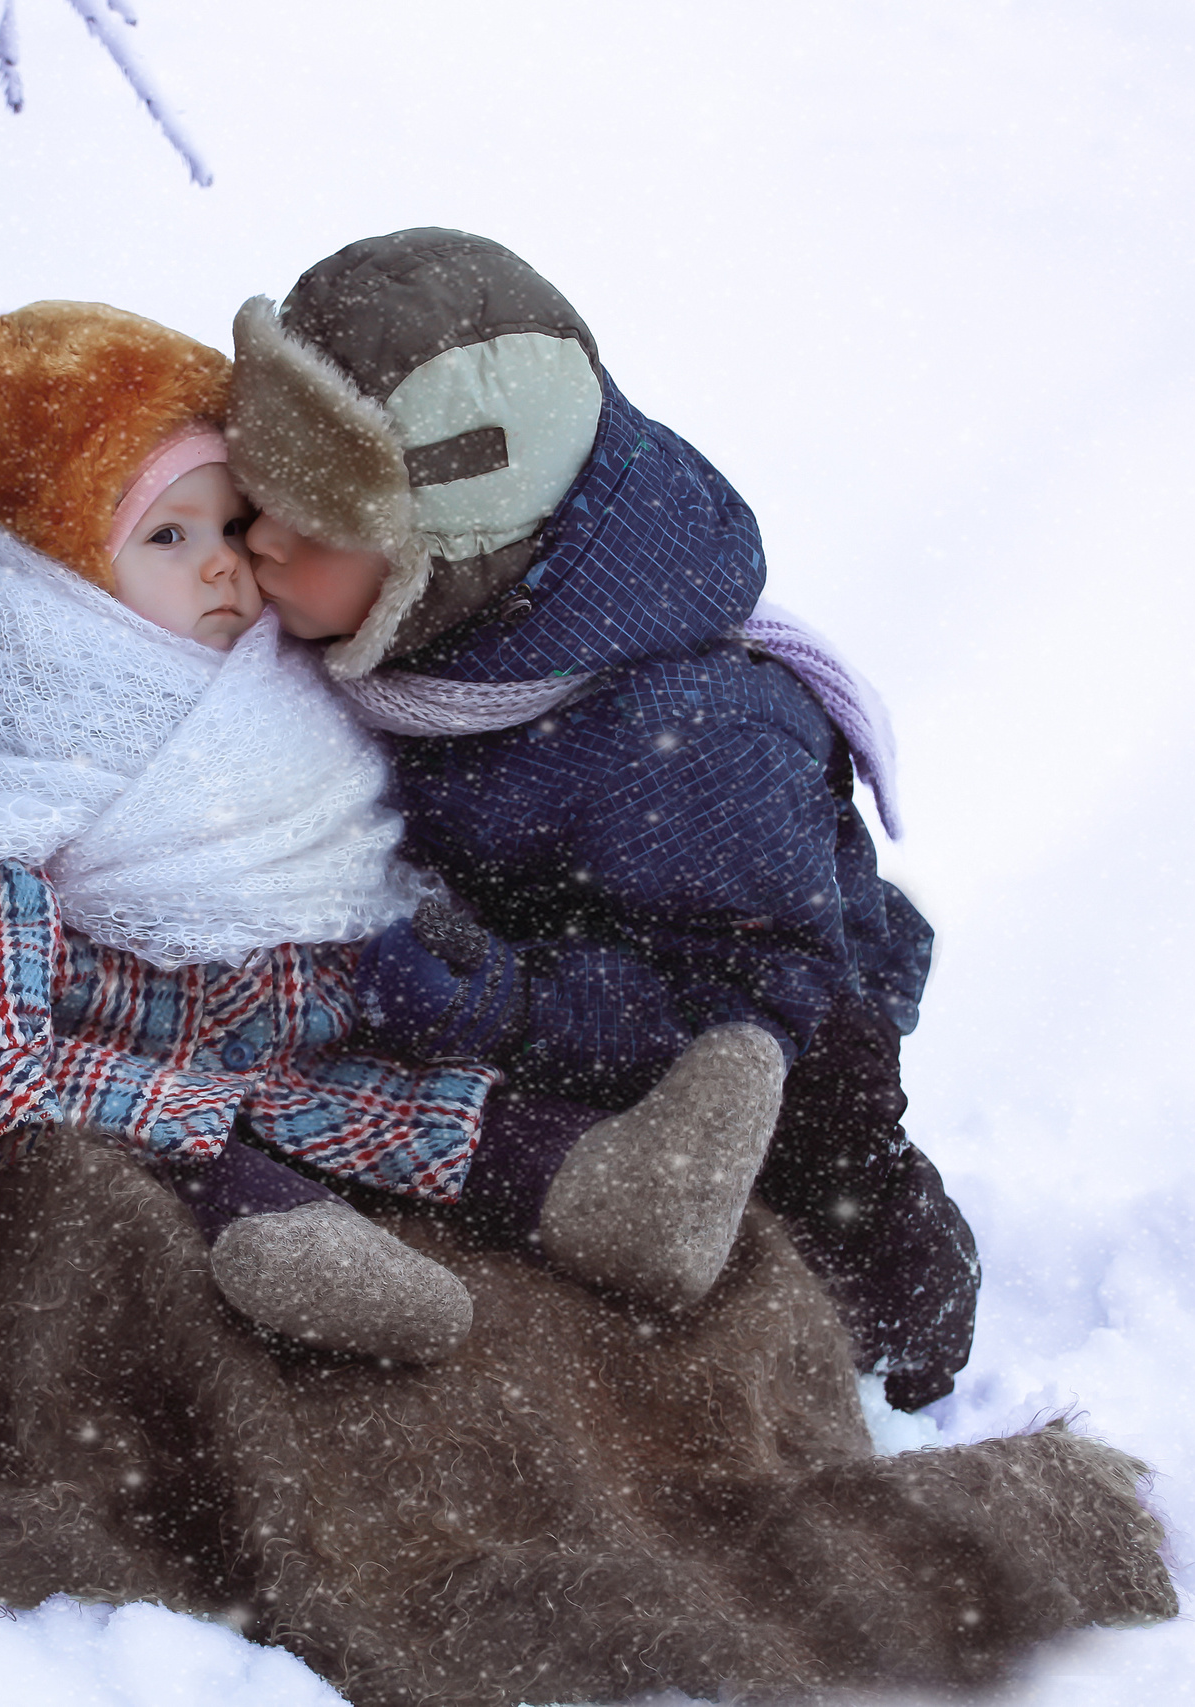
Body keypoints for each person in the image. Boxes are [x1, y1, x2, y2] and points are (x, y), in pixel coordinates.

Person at [225, 230, 979, 1409]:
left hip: (758, 1027)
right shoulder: (407, 629)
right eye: (252, 498)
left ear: (451, 561)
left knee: (803, 1212)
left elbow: (749, 1007)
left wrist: (506, 998)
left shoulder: (686, 738)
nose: (257, 544)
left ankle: (905, 1290)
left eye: (312, 530)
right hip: (520, 938)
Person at [0, 300, 500, 1365]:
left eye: (235, 527)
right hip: (128, 1072)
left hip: (321, 1044)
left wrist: (435, 938)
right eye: (168, 536)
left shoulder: (277, 679)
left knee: (474, 1113)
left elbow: (363, 843)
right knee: (175, 1180)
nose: (224, 566)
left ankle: (609, 1187)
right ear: (50, 572)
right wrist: (177, 1099)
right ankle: (301, 1253)